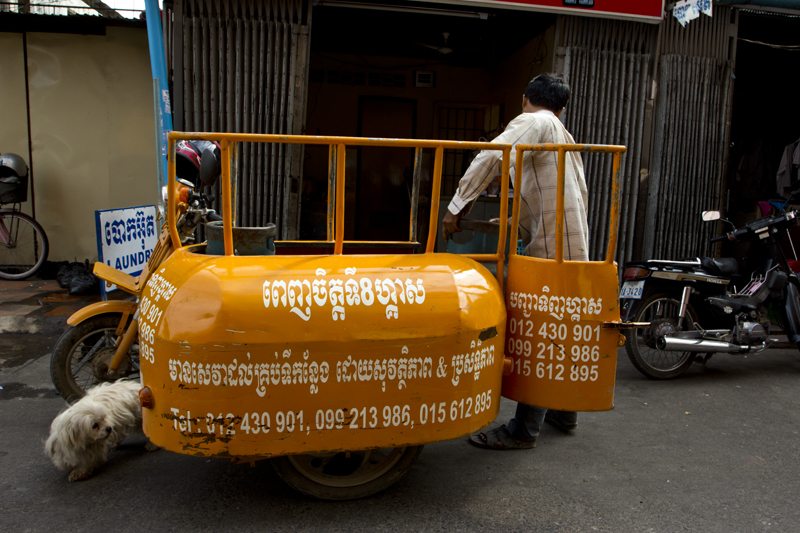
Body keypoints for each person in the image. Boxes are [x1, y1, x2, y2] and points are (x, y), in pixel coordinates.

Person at [442, 73, 589, 450]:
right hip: (570, 248)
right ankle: (564, 410)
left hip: (549, 252)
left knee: (540, 336)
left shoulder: (534, 121)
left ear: (525, 99)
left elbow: (494, 154)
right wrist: (510, 221)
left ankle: (524, 429)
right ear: (563, 106)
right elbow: (543, 193)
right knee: (558, 332)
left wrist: (458, 205)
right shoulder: (561, 132)